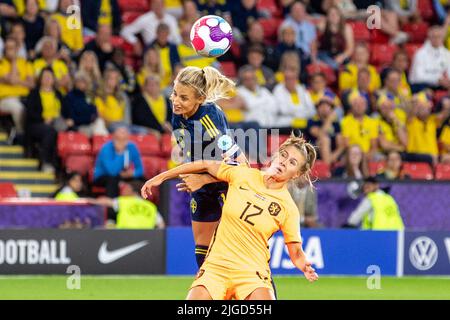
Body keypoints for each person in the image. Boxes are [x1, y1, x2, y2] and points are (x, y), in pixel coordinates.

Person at [141, 133, 319, 300]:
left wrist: (304, 265)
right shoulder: (244, 174)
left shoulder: (288, 208)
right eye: (283, 155)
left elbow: (296, 252)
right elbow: (206, 164)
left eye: (293, 162)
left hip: (252, 273)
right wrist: (161, 177)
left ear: (297, 174)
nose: (284, 162)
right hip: (216, 267)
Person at [166, 65, 248, 268]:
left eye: (183, 98)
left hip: (226, 186)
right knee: (203, 254)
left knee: (242, 255)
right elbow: (191, 153)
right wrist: (193, 175)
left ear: (200, 99)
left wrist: (203, 179)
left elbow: (240, 165)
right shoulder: (178, 115)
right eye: (175, 93)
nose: (176, 101)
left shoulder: (209, 120)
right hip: (203, 186)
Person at [93, 126, 144, 220]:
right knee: (112, 181)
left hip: (122, 175)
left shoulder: (132, 147)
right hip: (103, 176)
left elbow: (140, 169)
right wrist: (120, 152)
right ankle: (111, 216)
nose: (122, 142)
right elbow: (112, 171)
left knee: (141, 180)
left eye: (125, 139)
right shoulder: (106, 148)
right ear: (113, 138)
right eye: (119, 139)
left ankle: (141, 210)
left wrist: (132, 174)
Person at [25, 67, 67, 172]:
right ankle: (46, 162)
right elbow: (30, 113)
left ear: (53, 79)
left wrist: (68, 120)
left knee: (69, 130)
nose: (48, 79)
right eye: (45, 77)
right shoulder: (34, 94)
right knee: (50, 131)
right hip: (37, 124)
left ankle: (64, 167)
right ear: (40, 79)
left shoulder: (58, 94)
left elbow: (66, 111)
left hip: (56, 122)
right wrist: (43, 119)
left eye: (50, 77)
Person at [0, 37, 34, 141]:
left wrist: (18, 80)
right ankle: (21, 134)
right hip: (5, 99)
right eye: (7, 48)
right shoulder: (1, 63)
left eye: (12, 48)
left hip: (25, 97)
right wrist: (14, 61)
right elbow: (12, 81)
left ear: (17, 49)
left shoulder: (25, 63)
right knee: (18, 108)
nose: (9, 51)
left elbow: (32, 84)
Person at [96, 181, 165, 229]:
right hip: (147, 239)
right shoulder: (151, 206)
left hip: (124, 236)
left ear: (132, 191)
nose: (123, 190)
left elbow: (104, 201)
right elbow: (161, 224)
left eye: (126, 188)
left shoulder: (124, 201)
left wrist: (90, 200)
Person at [406, 91, 450, 165]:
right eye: (421, 108)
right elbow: (411, 112)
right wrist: (416, 103)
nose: (424, 110)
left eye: (426, 108)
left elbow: (445, 114)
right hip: (416, 157)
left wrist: (447, 106)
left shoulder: (432, 120)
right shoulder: (411, 121)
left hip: (433, 158)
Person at [63, 71, 109, 137]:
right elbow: (71, 117)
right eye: (79, 81)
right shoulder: (69, 97)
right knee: (98, 131)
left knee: (100, 122)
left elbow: (94, 112)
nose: (82, 83)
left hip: (91, 124)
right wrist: (88, 118)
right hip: (78, 126)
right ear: (75, 82)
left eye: (84, 81)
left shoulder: (89, 96)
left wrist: (90, 118)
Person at [409, 26, 450, 92]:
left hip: (440, 85)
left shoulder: (447, 53)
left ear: (442, 38)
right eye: (434, 37)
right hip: (421, 85)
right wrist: (437, 79)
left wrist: (447, 81)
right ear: (429, 38)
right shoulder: (420, 54)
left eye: (439, 36)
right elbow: (418, 76)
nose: (436, 39)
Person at [236, 64, 277, 129]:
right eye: (247, 79)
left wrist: (257, 104)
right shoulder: (238, 92)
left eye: (253, 78)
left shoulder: (263, 90)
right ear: (242, 80)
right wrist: (264, 102)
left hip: (271, 126)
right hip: (251, 129)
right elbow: (248, 105)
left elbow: (274, 105)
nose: (250, 81)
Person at [341, 90, 379, 159]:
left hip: (368, 154)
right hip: (352, 154)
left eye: (362, 104)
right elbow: (346, 145)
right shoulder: (345, 121)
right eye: (356, 104)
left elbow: (374, 146)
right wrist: (357, 157)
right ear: (352, 106)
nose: (359, 107)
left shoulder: (372, 122)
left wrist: (366, 157)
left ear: (366, 106)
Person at [307, 98, 346, 165]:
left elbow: (340, 144)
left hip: (332, 152)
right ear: (317, 109)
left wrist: (334, 155)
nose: (324, 108)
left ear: (331, 109)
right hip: (314, 149)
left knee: (345, 144)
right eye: (321, 106)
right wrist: (329, 120)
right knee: (325, 140)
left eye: (327, 106)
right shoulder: (312, 121)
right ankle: (327, 166)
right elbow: (320, 135)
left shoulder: (335, 124)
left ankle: (328, 163)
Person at [316, 5, 354, 70]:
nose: (334, 16)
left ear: (340, 16)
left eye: (336, 14)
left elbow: (350, 48)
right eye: (331, 14)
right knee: (332, 64)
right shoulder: (322, 26)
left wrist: (342, 57)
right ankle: (336, 68)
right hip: (324, 54)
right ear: (327, 17)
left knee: (350, 65)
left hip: (340, 54)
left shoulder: (346, 28)